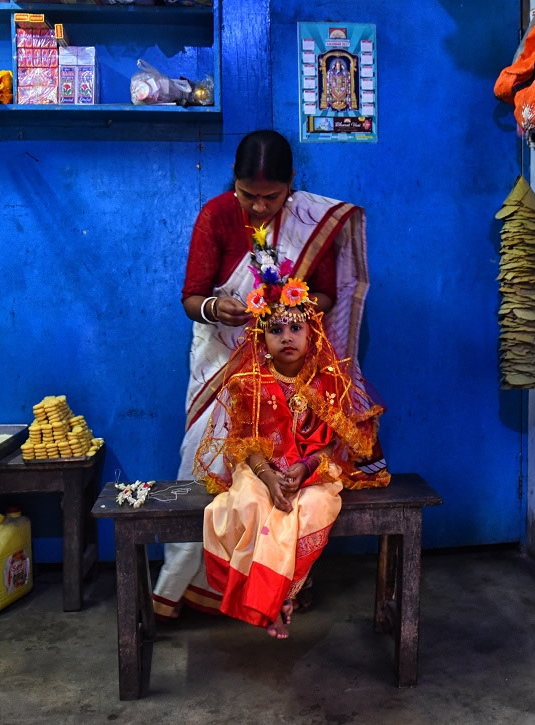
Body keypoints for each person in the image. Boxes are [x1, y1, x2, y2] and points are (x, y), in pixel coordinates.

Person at [153, 130, 383, 620]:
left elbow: (326, 296)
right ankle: (190, 586)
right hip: (224, 353)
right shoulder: (216, 215)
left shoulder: (308, 222)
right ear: (232, 185)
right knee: (204, 462)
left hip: (289, 361)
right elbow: (192, 297)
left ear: (291, 186)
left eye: (271, 197)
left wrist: (288, 305)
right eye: (247, 196)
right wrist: (218, 307)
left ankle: (282, 584)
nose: (258, 208)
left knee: (291, 461)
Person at [195, 241, 388, 638]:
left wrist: (303, 467)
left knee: (314, 506)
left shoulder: (327, 381)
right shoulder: (248, 382)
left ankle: (281, 594)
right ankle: (280, 598)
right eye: (275, 329)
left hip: (314, 471)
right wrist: (268, 477)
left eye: (296, 328)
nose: (287, 337)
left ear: (311, 331)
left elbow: (336, 444)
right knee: (248, 502)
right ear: (260, 339)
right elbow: (242, 443)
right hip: (261, 470)